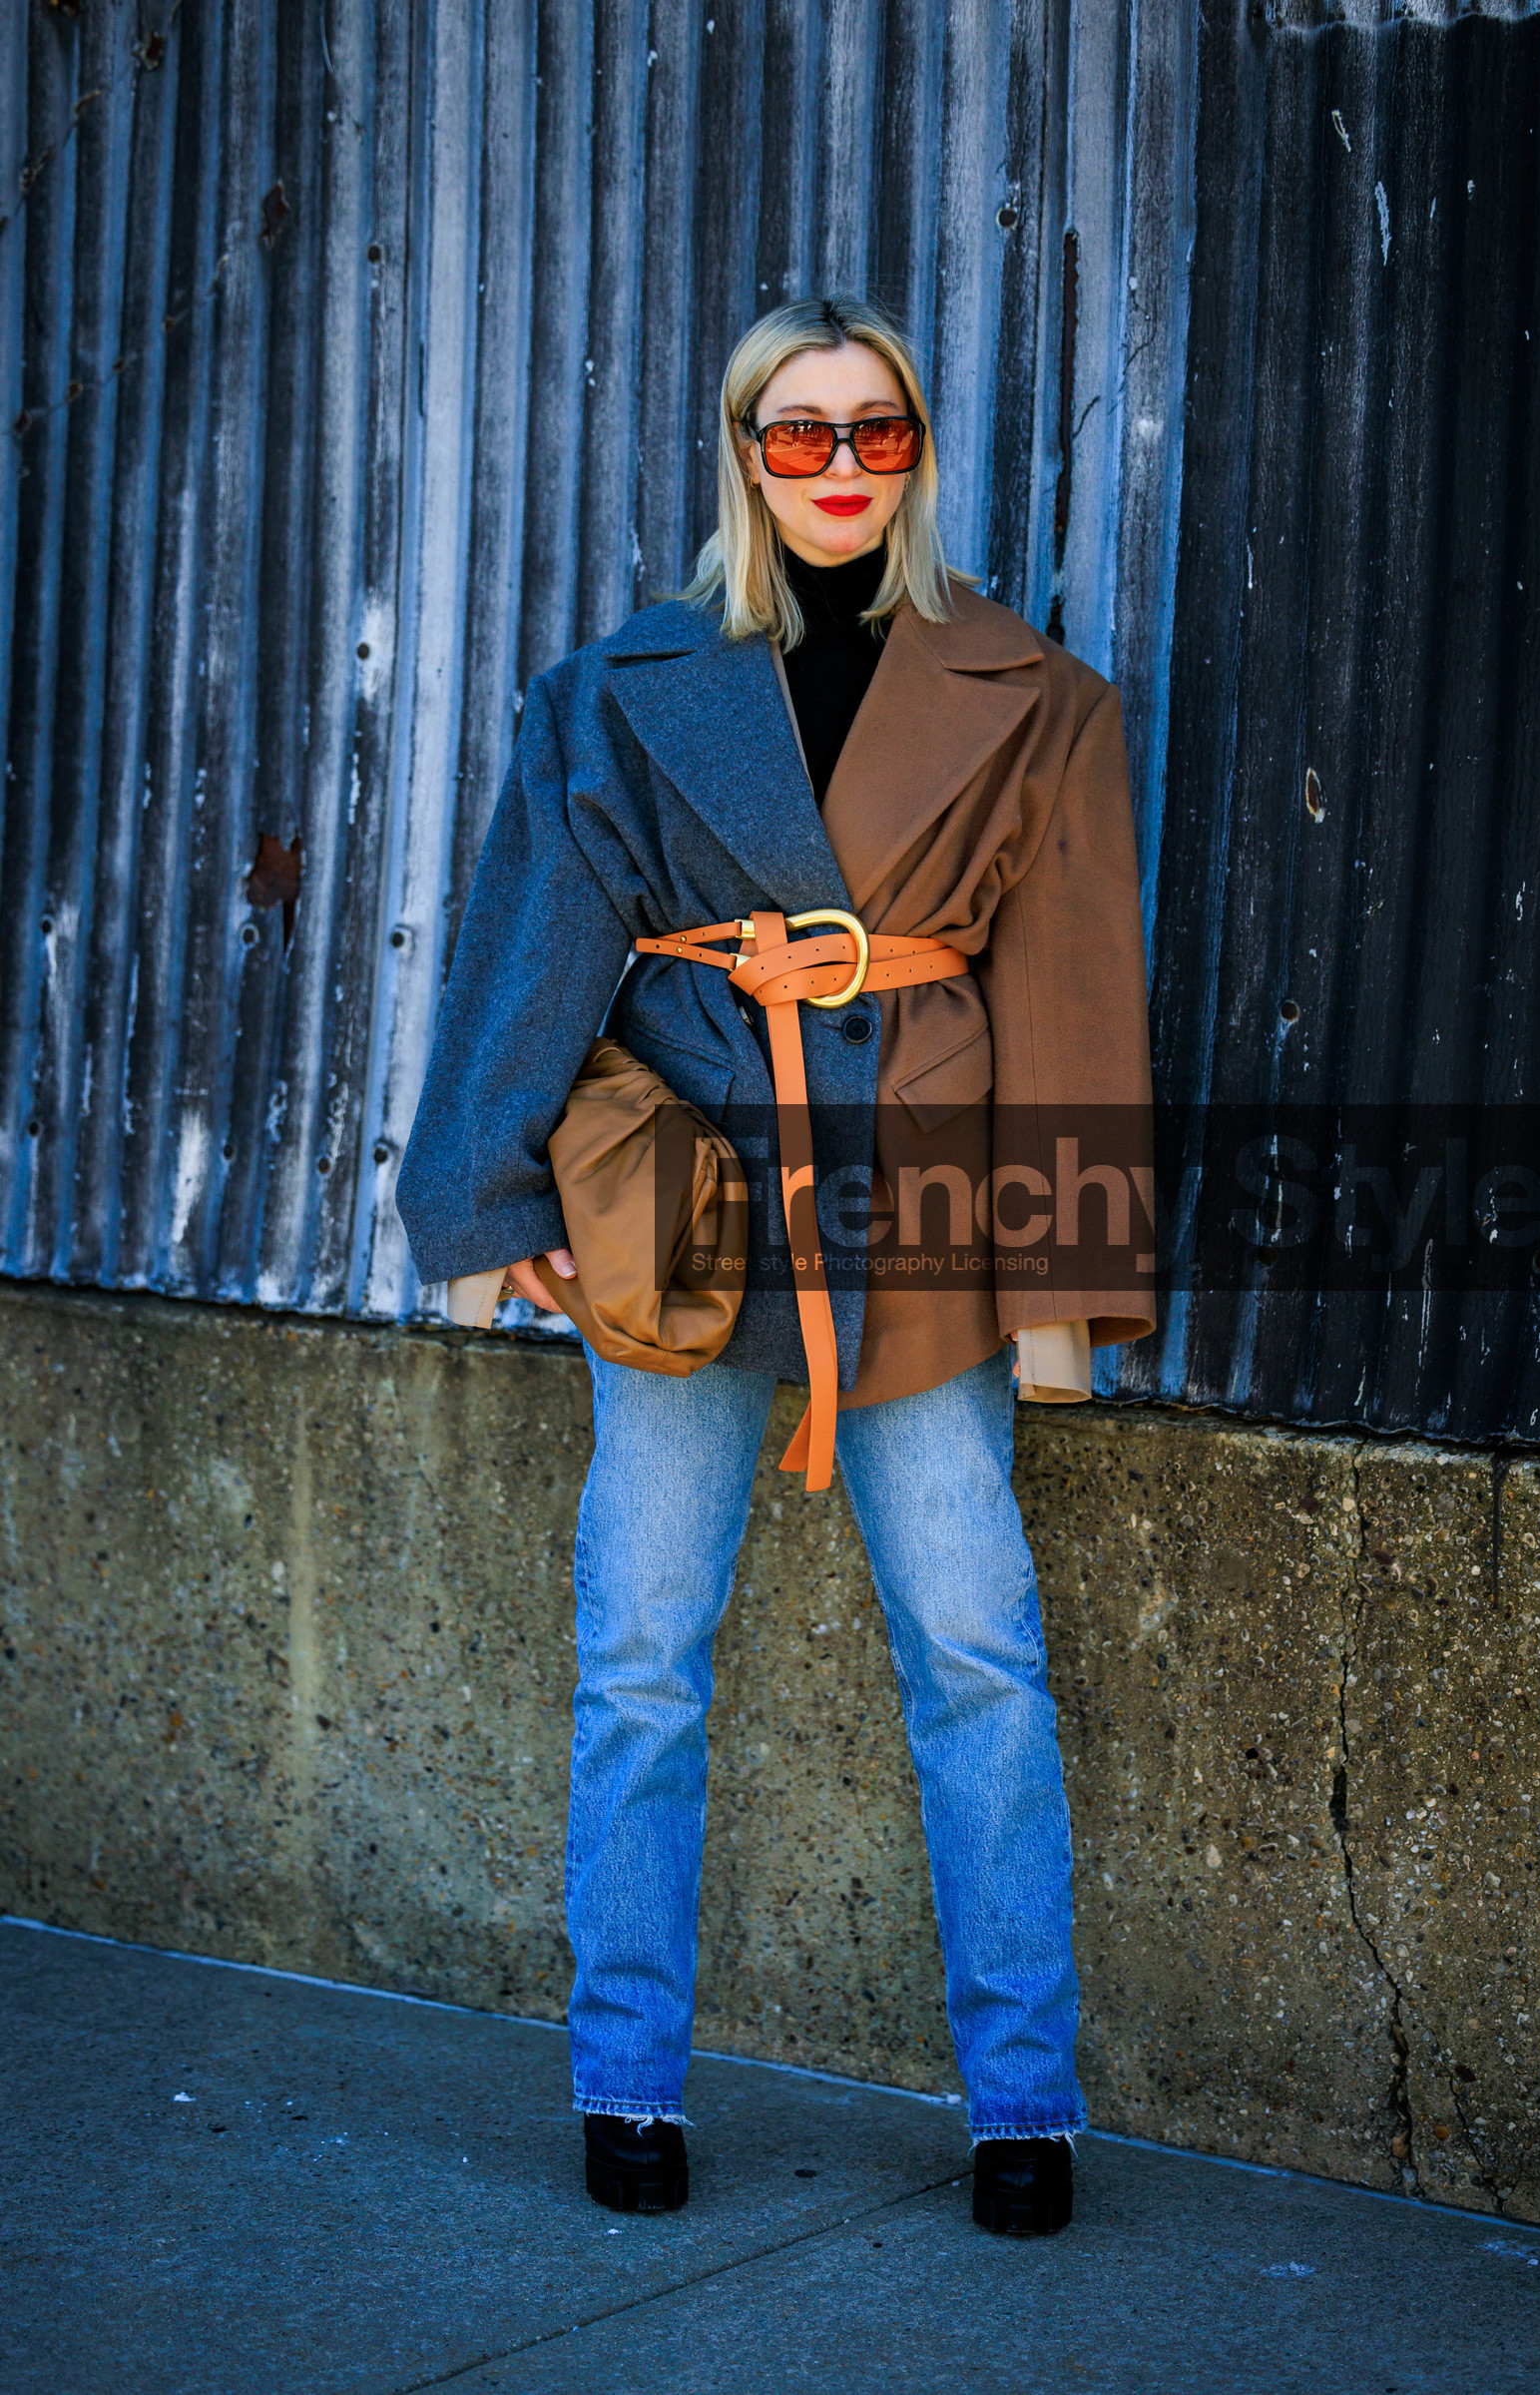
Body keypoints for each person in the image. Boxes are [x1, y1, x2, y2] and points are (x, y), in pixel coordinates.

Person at [397, 295, 1154, 2238]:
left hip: (916, 1206)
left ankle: (1021, 2105)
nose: (835, 468)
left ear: (916, 451)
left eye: (873, 432)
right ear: (742, 452)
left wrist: (1057, 1290)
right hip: (680, 1206)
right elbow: (527, 951)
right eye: (794, 433)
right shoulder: (614, 689)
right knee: (639, 1657)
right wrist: (496, 1214)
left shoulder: (1034, 696)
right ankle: (624, 2081)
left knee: (976, 1654)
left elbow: (1066, 995)